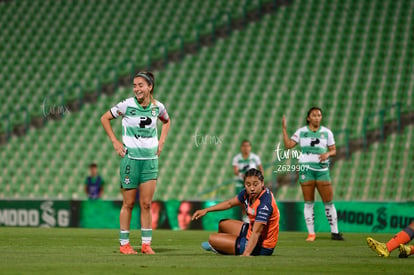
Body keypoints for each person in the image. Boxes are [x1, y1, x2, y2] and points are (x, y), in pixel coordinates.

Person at [100, 71, 171, 254]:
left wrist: (161, 142)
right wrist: (115, 142)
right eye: (134, 85)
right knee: (128, 203)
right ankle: (124, 245)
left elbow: (167, 121)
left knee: (146, 204)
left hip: (150, 161)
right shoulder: (126, 105)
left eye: (140, 85)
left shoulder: (158, 107)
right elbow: (104, 118)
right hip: (130, 160)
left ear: (150, 87)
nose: (137, 88)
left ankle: (146, 244)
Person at [282, 107, 344, 241]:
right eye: (314, 115)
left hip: (322, 170)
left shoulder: (327, 132)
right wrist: (284, 129)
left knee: (328, 202)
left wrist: (327, 153)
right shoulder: (301, 132)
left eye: (319, 115)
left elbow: (333, 150)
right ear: (308, 118)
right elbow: (288, 145)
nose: (317, 117)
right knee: (308, 202)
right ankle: (311, 234)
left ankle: (335, 232)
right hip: (306, 168)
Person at [192, 168, 279, 256]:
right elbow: (229, 203)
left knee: (212, 239)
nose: (252, 188)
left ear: (262, 183)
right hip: (251, 231)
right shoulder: (246, 193)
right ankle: (225, 247)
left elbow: (256, 232)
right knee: (222, 224)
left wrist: (246, 254)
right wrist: (206, 210)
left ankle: (228, 247)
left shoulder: (265, 204)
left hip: (262, 246)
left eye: (255, 184)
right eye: (248, 184)